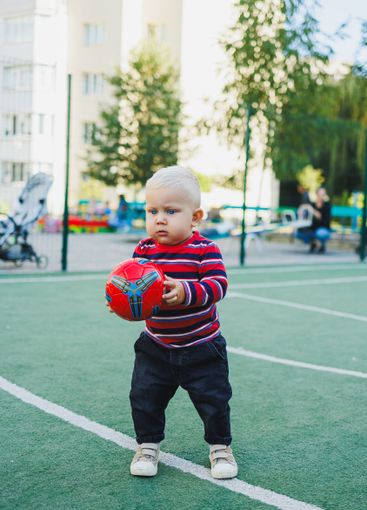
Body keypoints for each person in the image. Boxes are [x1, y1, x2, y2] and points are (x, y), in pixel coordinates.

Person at [108, 166, 237, 480]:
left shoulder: (204, 250)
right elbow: (132, 286)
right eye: (152, 211)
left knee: (214, 400)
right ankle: (148, 446)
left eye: (170, 210)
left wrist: (185, 292)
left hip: (202, 347)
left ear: (195, 217)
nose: (159, 218)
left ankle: (220, 449)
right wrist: (120, 303)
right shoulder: (144, 251)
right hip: (156, 346)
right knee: (144, 397)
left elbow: (218, 286)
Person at [296, 187, 332, 253]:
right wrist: (301, 210)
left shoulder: (327, 206)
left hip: (323, 227)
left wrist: (316, 214)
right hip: (312, 228)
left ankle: (322, 244)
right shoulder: (312, 205)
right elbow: (303, 215)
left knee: (321, 233)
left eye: (323, 195)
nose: (322, 197)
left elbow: (327, 221)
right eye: (320, 194)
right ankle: (313, 243)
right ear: (317, 194)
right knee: (299, 233)